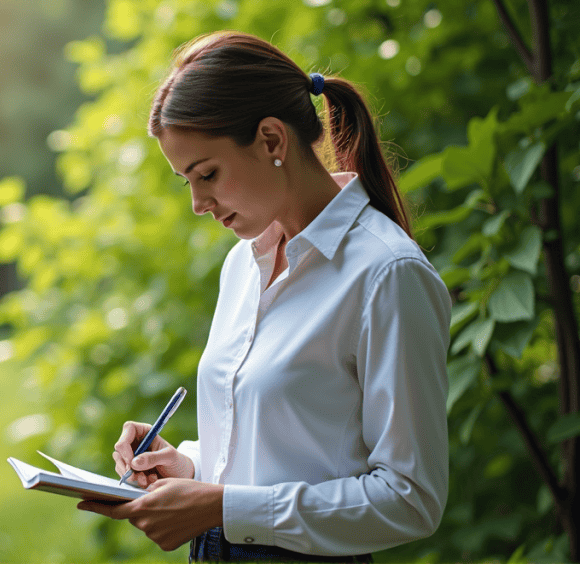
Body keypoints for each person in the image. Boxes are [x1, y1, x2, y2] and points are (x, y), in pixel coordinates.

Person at [76, 31, 452, 563]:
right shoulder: (242, 266)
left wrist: (223, 508)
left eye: (207, 174)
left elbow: (412, 499)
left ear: (273, 141)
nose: (198, 203)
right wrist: (190, 470)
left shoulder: (386, 275)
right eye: (186, 180)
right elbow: (285, 454)